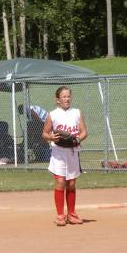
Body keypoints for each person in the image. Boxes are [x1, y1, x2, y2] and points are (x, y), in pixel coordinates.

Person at [41, 86, 88, 226]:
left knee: (71, 183)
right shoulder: (53, 114)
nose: (67, 99)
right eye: (64, 96)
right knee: (61, 182)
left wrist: (78, 139)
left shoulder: (77, 112)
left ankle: (72, 215)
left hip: (72, 151)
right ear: (58, 100)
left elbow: (84, 132)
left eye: (68, 96)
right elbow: (44, 134)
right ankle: (60, 215)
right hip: (59, 152)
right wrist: (51, 137)